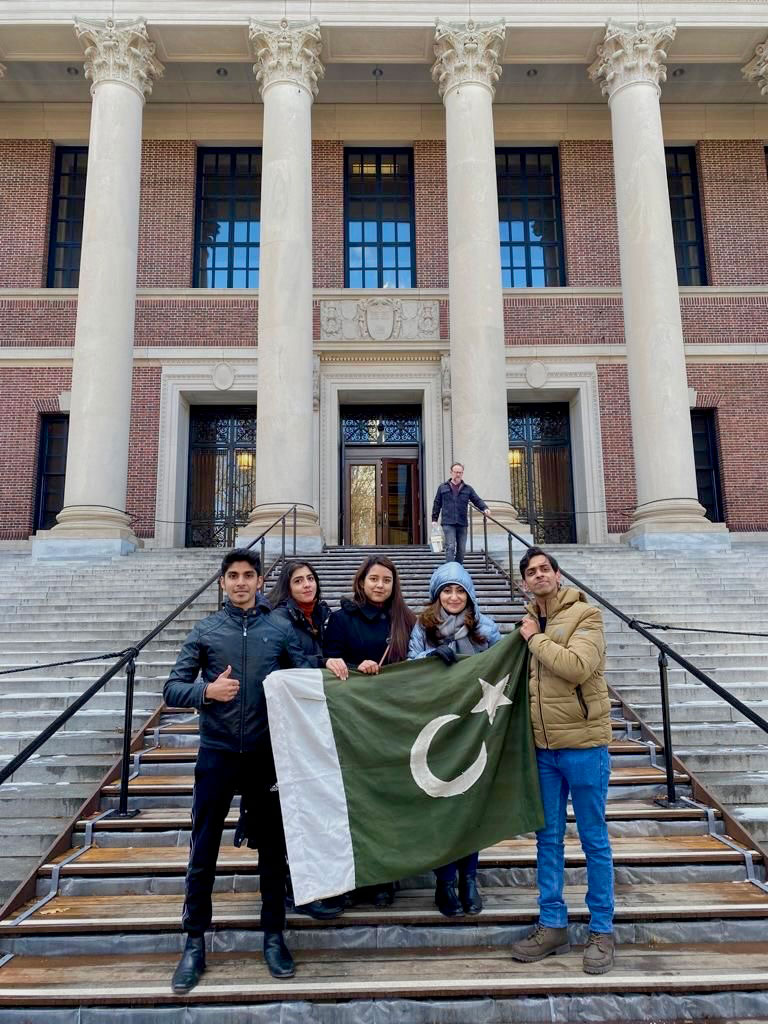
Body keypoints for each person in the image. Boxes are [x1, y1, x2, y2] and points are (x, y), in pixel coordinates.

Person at [164, 548, 311, 993]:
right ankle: (193, 942)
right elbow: (172, 688)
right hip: (218, 752)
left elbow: (306, 676)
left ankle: (273, 936)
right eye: (233, 576)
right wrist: (207, 691)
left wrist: (340, 668)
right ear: (222, 583)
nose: (241, 582)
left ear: (261, 581)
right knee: (203, 847)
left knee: (272, 849)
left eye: (249, 575)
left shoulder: (279, 629)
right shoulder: (206, 629)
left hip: (266, 755)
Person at [509, 546, 615, 975]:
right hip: (543, 749)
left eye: (543, 569)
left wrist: (533, 637)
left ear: (557, 573)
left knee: (594, 840)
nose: (538, 576)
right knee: (547, 840)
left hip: (585, 745)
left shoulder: (586, 616)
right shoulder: (529, 620)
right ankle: (552, 924)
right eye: (530, 572)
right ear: (523, 582)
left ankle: (602, 930)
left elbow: (576, 666)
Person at [408, 561, 501, 917]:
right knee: (444, 807)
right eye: (447, 590)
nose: (453, 596)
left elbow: (503, 662)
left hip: (477, 727)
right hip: (439, 726)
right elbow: (410, 663)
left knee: (471, 806)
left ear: (469, 594)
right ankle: (445, 881)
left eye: (459, 590)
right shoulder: (424, 627)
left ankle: (469, 879)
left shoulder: (487, 628)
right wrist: (432, 655)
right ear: (437, 596)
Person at [324, 555, 416, 907]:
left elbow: (419, 661)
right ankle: (355, 876)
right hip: (353, 727)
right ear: (361, 581)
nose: (380, 585)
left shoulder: (406, 621)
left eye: (387, 580)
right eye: (374, 579)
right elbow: (327, 661)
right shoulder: (341, 619)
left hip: (395, 726)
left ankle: (384, 877)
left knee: (389, 803)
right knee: (356, 801)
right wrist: (352, 667)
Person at [267, 559, 345, 921]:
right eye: (298, 580)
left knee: (318, 804)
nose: (307, 585)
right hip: (291, 724)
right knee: (294, 807)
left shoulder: (327, 615)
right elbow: (289, 665)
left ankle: (319, 882)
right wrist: (324, 661)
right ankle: (293, 886)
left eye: (311, 579)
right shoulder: (279, 620)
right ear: (287, 586)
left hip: (320, 722)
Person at [431, 462, 489, 564]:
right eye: (456, 472)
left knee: (461, 549)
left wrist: (485, 508)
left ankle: (457, 569)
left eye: (460, 472)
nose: (458, 474)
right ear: (451, 472)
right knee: (450, 546)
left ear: (462, 473)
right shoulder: (442, 487)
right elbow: (437, 503)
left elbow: (476, 500)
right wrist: (434, 519)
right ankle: (450, 570)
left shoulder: (468, 488)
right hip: (448, 522)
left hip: (462, 523)